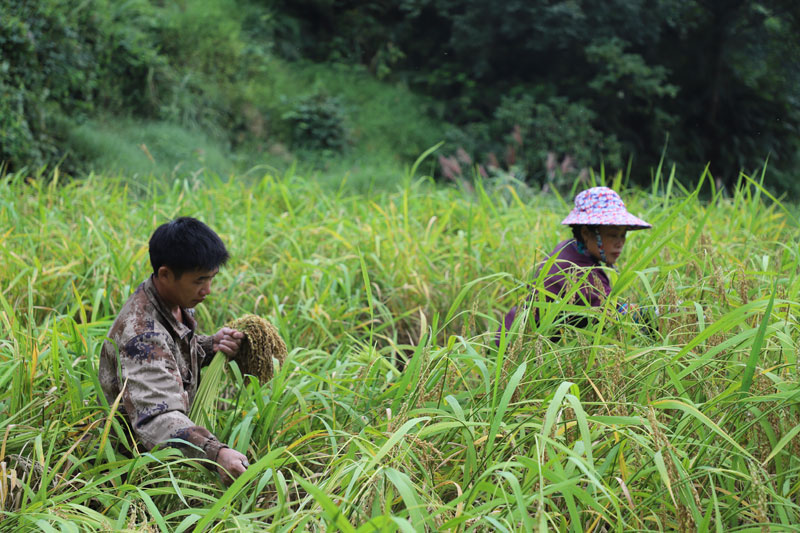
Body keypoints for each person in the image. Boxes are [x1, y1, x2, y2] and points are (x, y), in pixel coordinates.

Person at [99, 216, 250, 485]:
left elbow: (169, 355)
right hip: (138, 469)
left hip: (173, 455)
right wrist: (217, 453)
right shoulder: (141, 335)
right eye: (199, 281)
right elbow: (157, 418)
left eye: (212, 278)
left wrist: (207, 346)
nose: (208, 290)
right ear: (166, 274)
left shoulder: (174, 301)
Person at [499, 186, 651, 341]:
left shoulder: (570, 248)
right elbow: (617, 317)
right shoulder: (579, 272)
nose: (620, 243)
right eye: (612, 235)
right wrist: (658, 314)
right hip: (517, 348)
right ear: (585, 233)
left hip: (513, 335)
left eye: (623, 235)